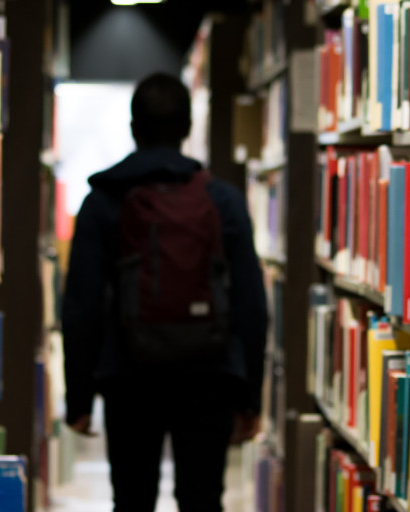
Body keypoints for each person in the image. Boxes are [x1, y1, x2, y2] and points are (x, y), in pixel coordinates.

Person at [61, 72, 269, 512]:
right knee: (202, 499)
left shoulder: (102, 201)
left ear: (133, 128)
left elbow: (81, 305)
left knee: (132, 500)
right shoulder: (223, 200)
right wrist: (250, 397)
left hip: (128, 377)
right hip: (210, 375)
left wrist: (79, 397)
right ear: (187, 127)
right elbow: (251, 303)